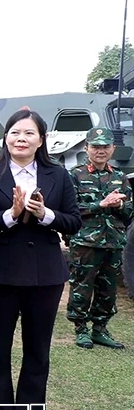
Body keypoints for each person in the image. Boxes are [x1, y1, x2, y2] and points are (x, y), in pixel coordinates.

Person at [0, 109, 81, 410]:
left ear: (41, 140)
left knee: (37, 350)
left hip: (45, 276)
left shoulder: (58, 175)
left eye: (29, 133)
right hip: (0, 273)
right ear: (6, 138)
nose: (21, 139)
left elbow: (73, 221)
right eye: (15, 132)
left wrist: (45, 214)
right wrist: (10, 215)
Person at [66, 127, 129, 350]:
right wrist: (99, 204)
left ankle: (100, 329)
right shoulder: (75, 174)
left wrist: (121, 204)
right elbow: (69, 208)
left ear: (113, 149)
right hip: (86, 242)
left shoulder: (120, 177)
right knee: (82, 286)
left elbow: (130, 212)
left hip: (113, 241)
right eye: (96, 146)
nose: (100, 151)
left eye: (105, 147)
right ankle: (81, 329)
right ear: (87, 149)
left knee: (108, 289)